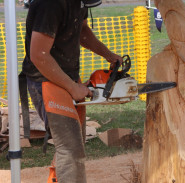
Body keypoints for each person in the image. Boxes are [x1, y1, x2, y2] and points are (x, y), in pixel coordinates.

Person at [21, 0, 122, 182]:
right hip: (46, 79)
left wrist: (108, 54)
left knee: (75, 143)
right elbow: (39, 55)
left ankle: (57, 178)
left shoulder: (79, 2)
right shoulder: (49, 4)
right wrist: (72, 87)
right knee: (70, 147)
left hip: (67, 77)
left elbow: (82, 31)